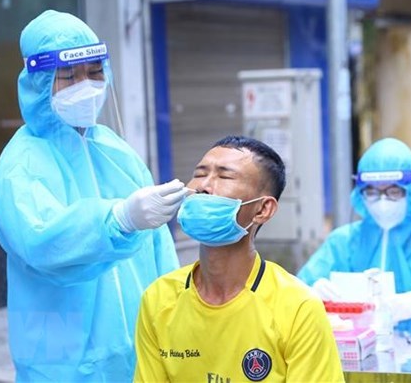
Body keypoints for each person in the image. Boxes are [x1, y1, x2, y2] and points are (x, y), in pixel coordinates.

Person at [0, 10, 185, 382]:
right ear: (40, 82)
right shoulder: (20, 167)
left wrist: (176, 316)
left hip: (137, 351)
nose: (87, 85)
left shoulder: (115, 150)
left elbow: (159, 249)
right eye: (70, 76)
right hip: (63, 362)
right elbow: (43, 242)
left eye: (95, 72)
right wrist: (118, 219)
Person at [134, 135, 345, 383]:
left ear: (263, 209)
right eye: (200, 173)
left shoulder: (297, 307)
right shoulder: (159, 299)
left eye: (224, 176)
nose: (204, 186)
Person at [298, 137, 411, 325]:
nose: (383, 202)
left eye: (394, 192)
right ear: (360, 194)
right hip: (357, 350)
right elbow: (296, 291)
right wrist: (312, 290)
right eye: (372, 192)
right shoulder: (342, 242)